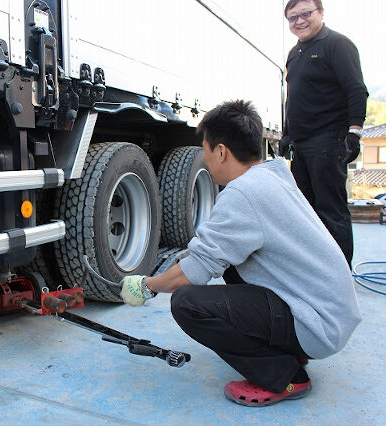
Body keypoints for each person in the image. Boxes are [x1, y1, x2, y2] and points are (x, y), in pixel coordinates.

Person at [120, 100, 361, 407]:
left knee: (188, 303)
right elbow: (215, 256)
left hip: (318, 325)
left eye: (206, 152)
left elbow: (193, 271)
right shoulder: (273, 176)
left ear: (221, 151)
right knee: (233, 267)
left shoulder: (243, 193)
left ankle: (285, 377)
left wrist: (146, 286)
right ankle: (290, 349)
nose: (205, 161)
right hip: (327, 311)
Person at [279, 0, 369, 266]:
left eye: (305, 14)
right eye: (292, 17)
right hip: (302, 145)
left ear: (321, 13)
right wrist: (286, 135)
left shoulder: (338, 45)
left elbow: (356, 89)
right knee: (305, 212)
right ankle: (315, 271)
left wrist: (354, 132)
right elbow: (293, 99)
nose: (299, 21)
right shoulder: (295, 53)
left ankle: (340, 274)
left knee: (331, 211)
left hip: (328, 141)